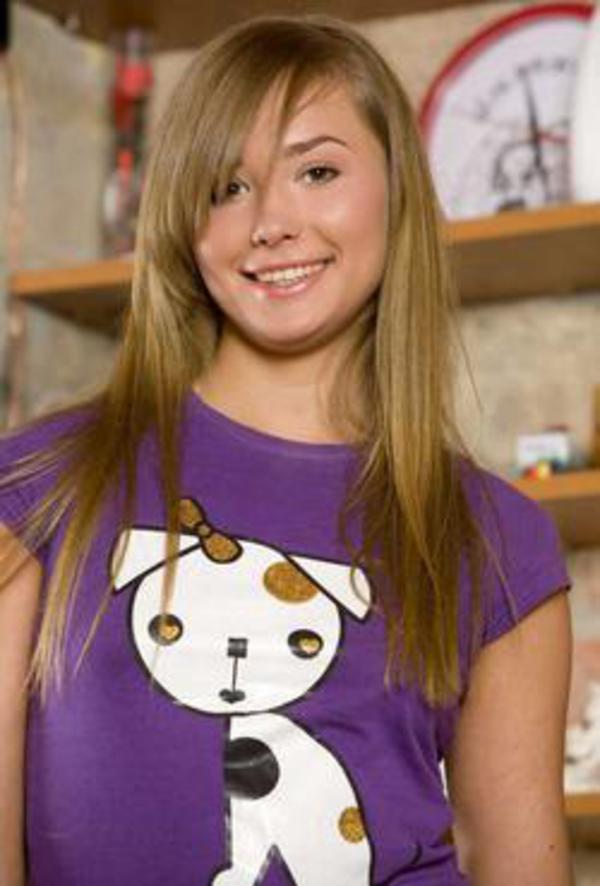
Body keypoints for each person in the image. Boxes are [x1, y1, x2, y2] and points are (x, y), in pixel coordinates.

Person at [0, 14, 573, 886]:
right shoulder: (38, 484)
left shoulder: (500, 540)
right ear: (186, 225)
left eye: (317, 171)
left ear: (397, 191)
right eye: (227, 187)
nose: (270, 222)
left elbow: (515, 863)